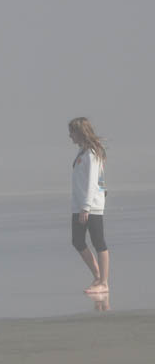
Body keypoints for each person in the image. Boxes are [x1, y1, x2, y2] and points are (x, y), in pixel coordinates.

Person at [69, 117, 109, 294]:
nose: (70, 136)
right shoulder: (82, 153)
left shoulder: (92, 153)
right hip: (79, 206)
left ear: (80, 132)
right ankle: (97, 276)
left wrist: (86, 207)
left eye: (72, 132)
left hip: (91, 206)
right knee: (77, 241)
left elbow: (93, 181)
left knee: (98, 242)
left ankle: (104, 283)